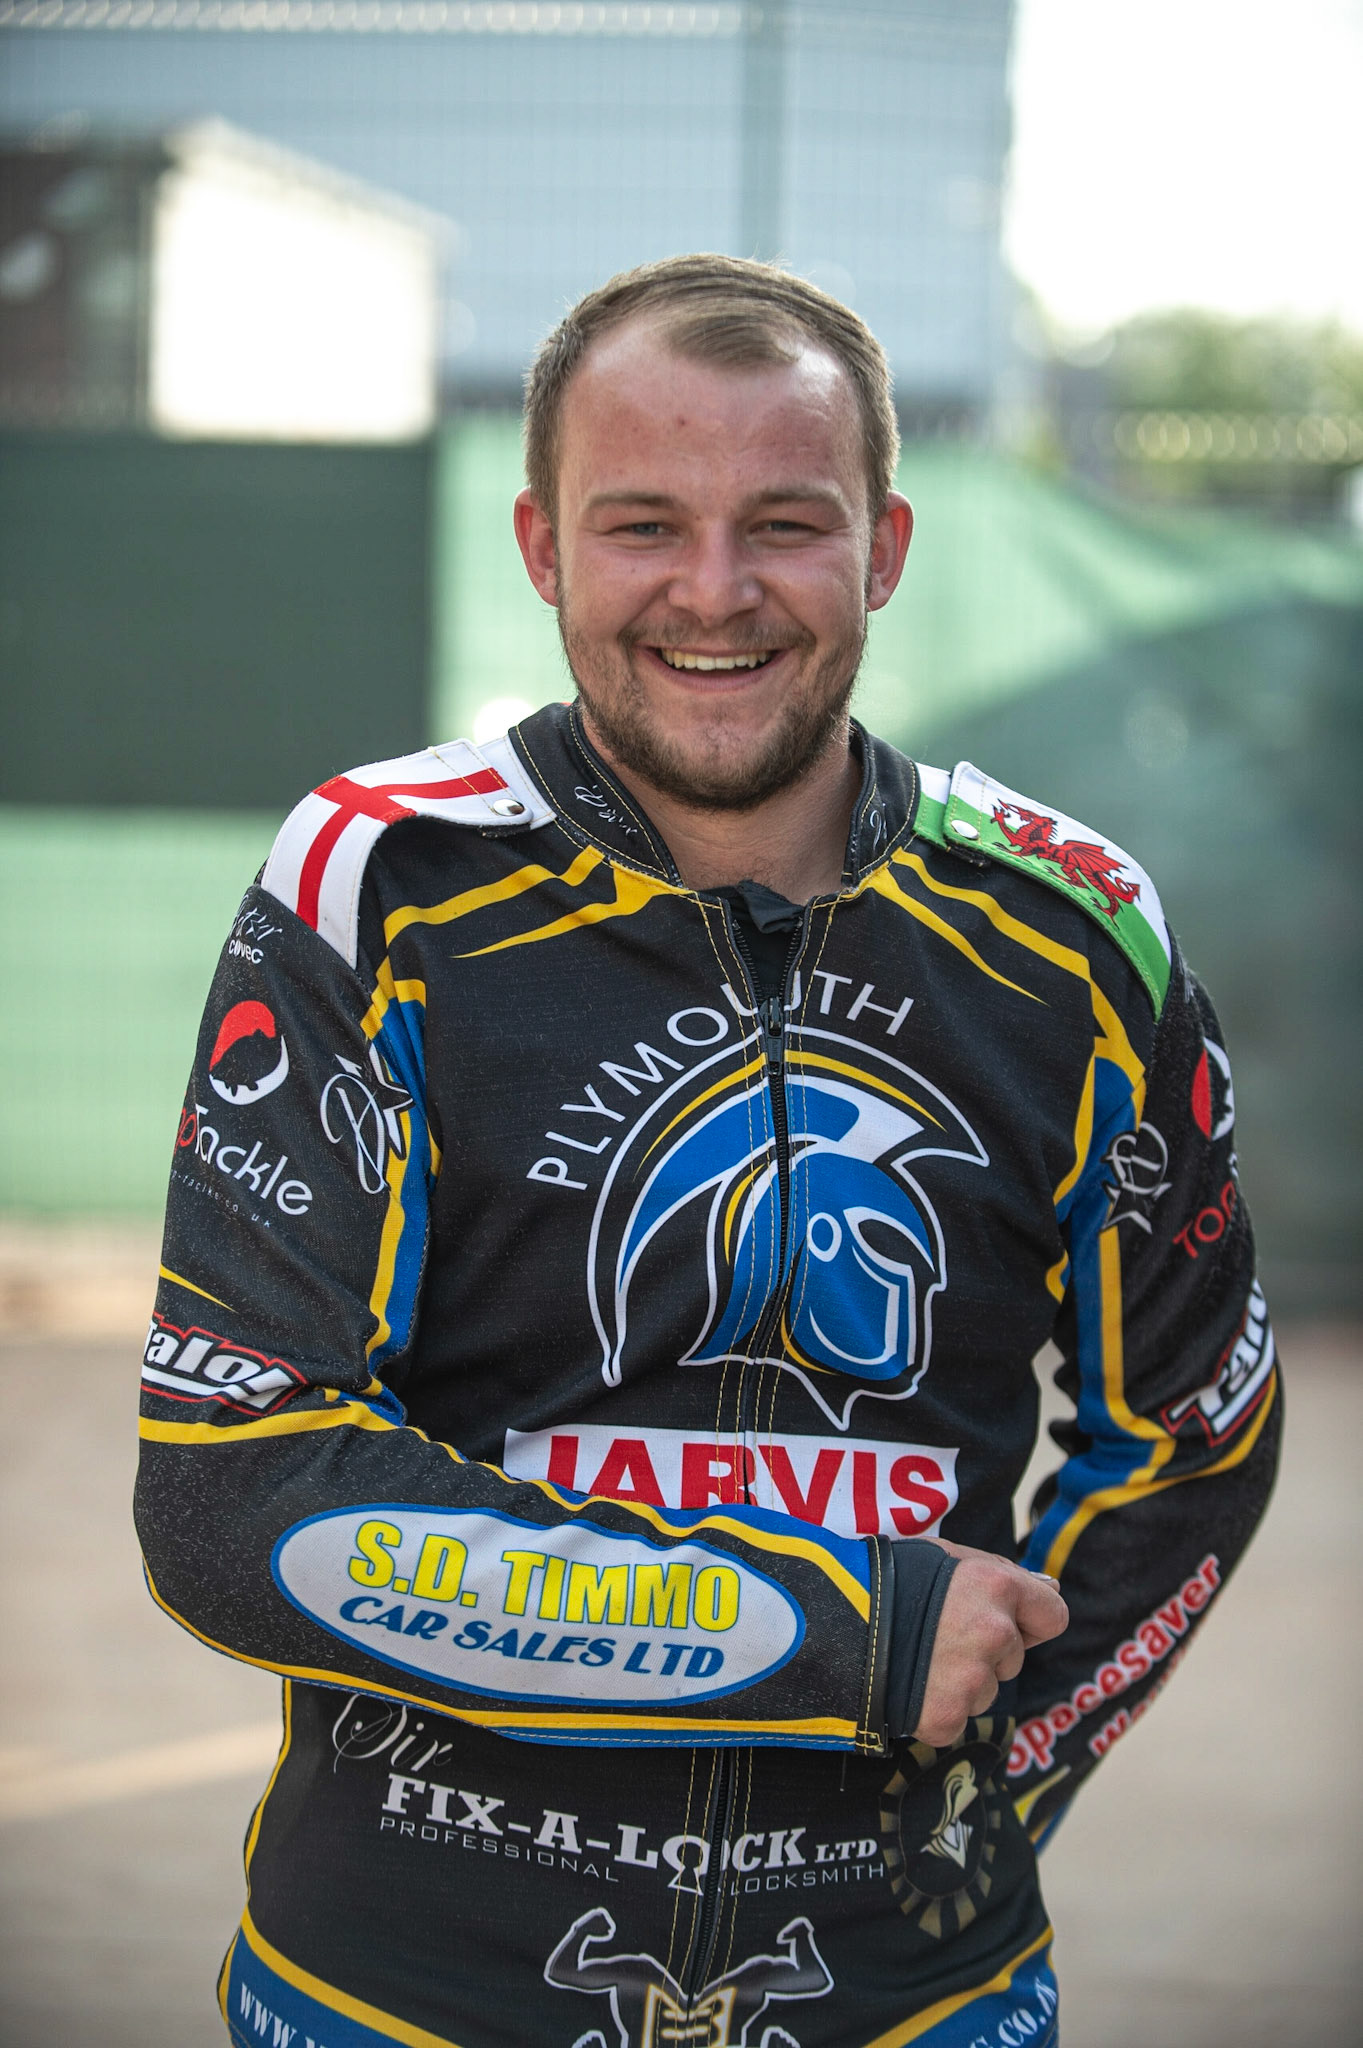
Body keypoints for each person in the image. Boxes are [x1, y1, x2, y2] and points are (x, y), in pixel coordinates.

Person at [136, 255, 1279, 2048]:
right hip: (410, 1987)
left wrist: (989, 1783)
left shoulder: (1072, 930)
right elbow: (230, 1490)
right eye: (644, 524)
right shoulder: (377, 885)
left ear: (887, 549)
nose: (716, 593)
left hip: (907, 1999)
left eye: (789, 525)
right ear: (543, 546)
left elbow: (1195, 1438)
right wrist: (848, 1639)